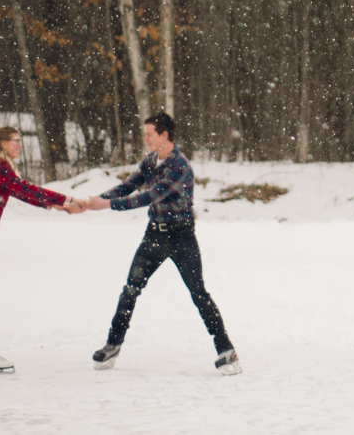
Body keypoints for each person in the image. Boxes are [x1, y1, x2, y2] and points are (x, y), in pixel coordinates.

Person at [79, 112, 240, 375]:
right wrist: (93, 201)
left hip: (182, 237)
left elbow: (148, 197)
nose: (145, 139)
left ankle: (226, 350)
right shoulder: (150, 162)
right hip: (155, 235)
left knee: (198, 293)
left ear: (165, 135)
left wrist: (106, 206)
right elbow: (127, 187)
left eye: (149, 134)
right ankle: (113, 344)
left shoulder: (180, 166)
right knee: (131, 289)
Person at [0, 126, 81, 373]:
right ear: (1, 143)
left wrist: (58, 204)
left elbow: (25, 193)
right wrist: (64, 200)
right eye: (15, 141)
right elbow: (25, 190)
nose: (20, 145)